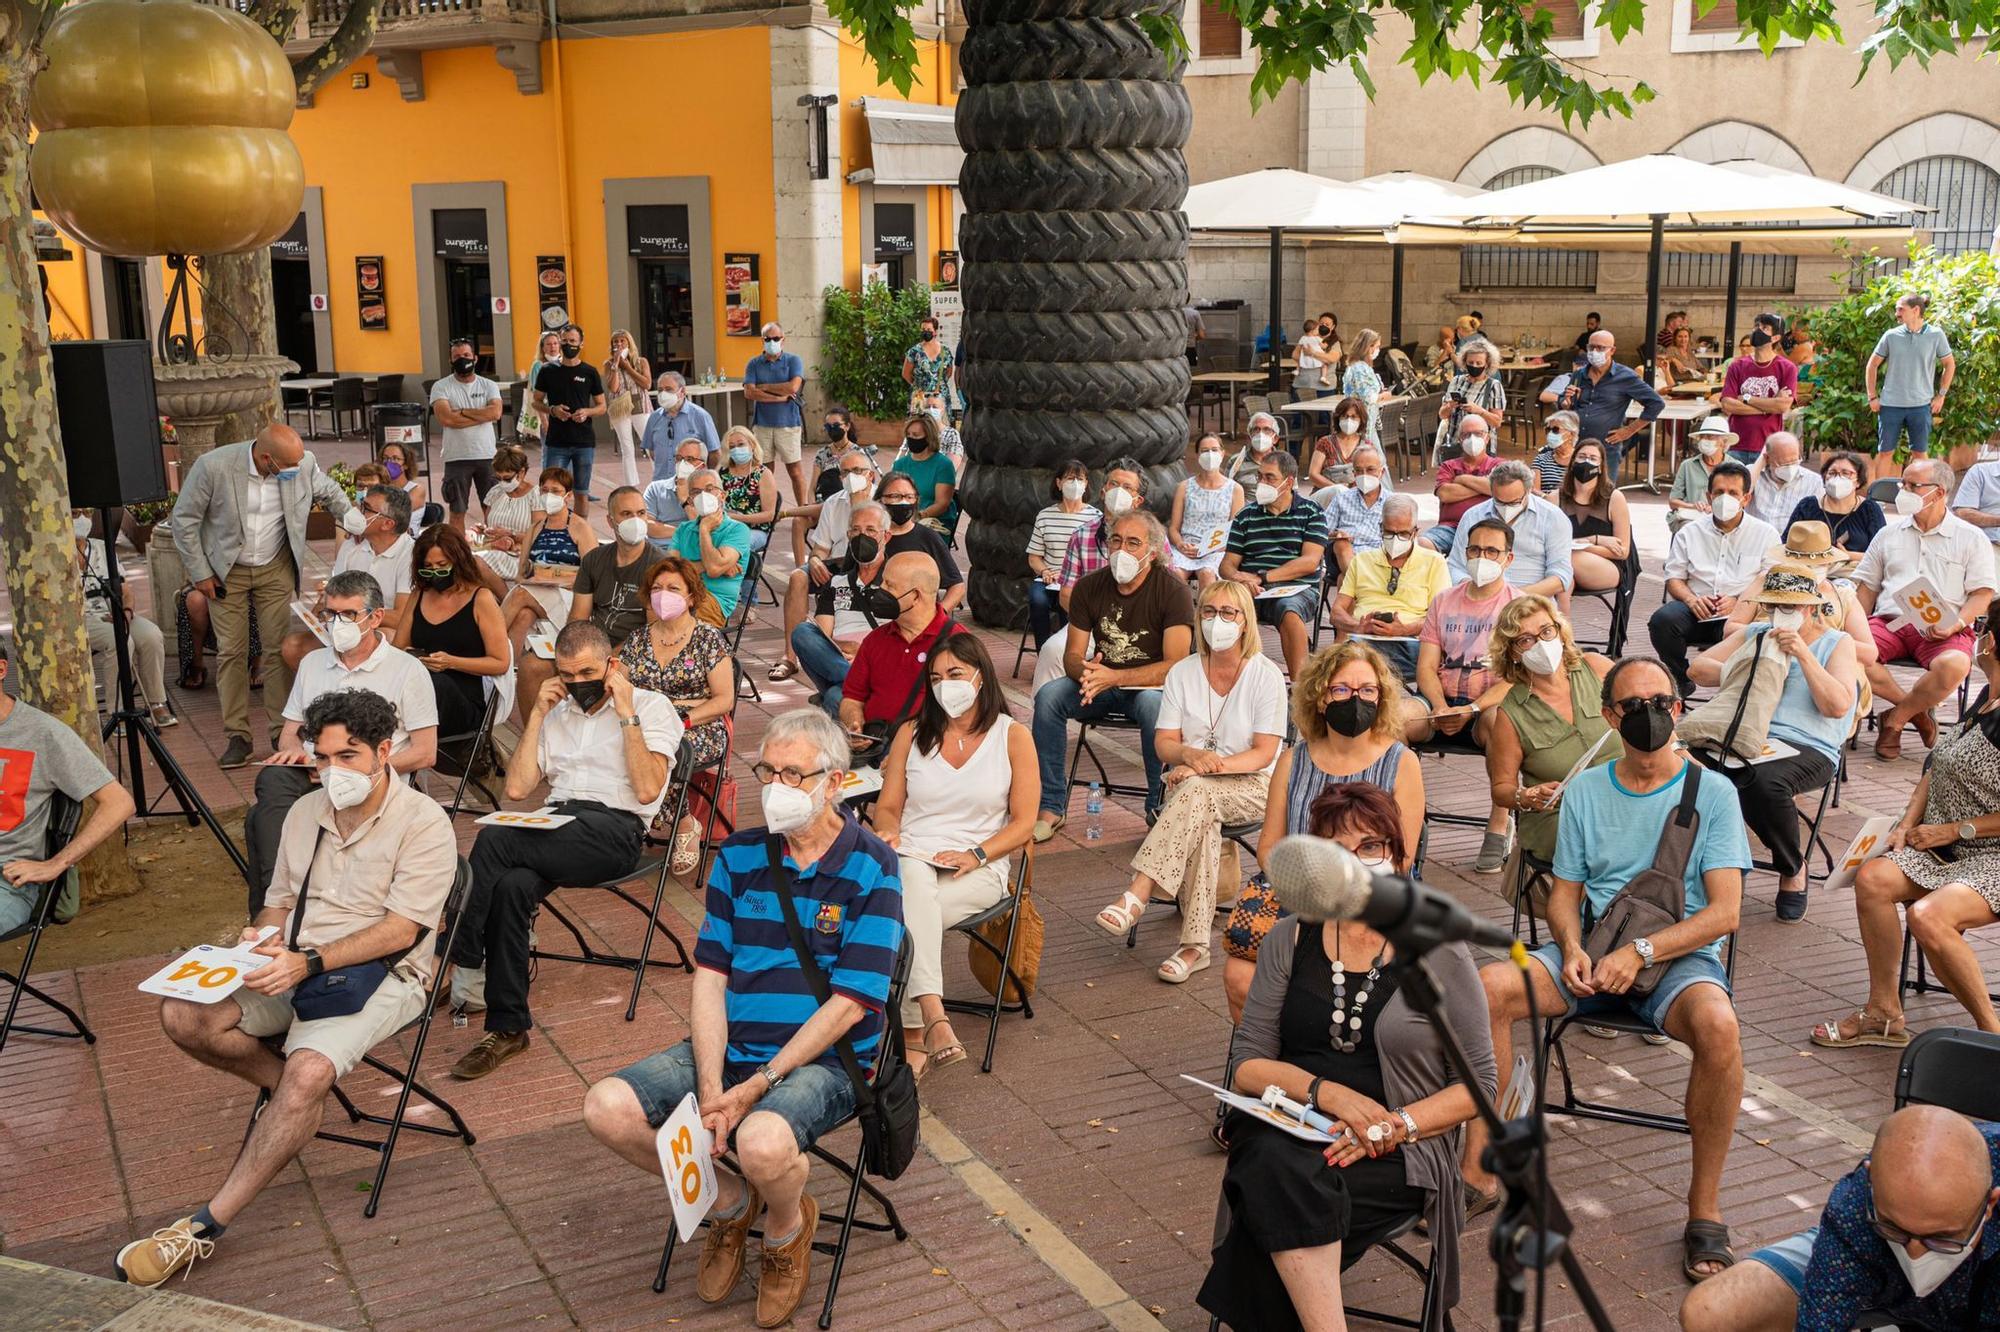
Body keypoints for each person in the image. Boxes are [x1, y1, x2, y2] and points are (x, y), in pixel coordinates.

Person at [112, 688, 453, 1289]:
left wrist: (307, 961)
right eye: (321, 759)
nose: (331, 772)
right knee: (183, 1015)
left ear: (383, 751)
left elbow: (403, 929)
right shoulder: (304, 813)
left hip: (384, 974)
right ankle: (293, 1100)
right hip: (295, 960)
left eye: (347, 758)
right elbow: (278, 904)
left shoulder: (424, 822)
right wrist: (256, 941)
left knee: (308, 1072)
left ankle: (203, 1227)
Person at [577, 707, 903, 1330]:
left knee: (759, 1140)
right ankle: (729, 1205)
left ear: (834, 782)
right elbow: (711, 976)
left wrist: (752, 1090)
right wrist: (709, 1088)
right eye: (768, 771)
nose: (777, 787)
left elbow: (850, 1004)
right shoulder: (739, 854)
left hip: (829, 1062)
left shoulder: (872, 866)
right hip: (733, 1045)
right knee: (605, 1108)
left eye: (794, 774)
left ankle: (786, 1226)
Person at [1462, 656, 1749, 1285]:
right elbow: (1565, 892)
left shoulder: (1714, 793)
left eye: (1663, 702)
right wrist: (1570, 946)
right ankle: (1484, 1168)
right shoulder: (1589, 789)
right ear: (1610, 715)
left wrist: (1642, 954)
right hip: (1594, 950)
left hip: (1675, 957)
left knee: (1719, 1028)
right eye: (1635, 706)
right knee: (1490, 987)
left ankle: (1705, 1208)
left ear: (1678, 708)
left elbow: (1725, 914)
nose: (1651, 715)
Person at [1199, 778, 1493, 1332]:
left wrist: (1393, 1127)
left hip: (1397, 1147)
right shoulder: (1289, 939)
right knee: (1275, 1160)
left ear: (1398, 858)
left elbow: (1479, 1087)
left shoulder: (1440, 949)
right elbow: (1248, 1065)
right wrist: (1327, 1094)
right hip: (1293, 1122)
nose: (1354, 863)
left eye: (1370, 847)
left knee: (1268, 1186)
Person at [449, 621, 682, 1081]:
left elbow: (647, 789)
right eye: (568, 675)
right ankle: (508, 1026)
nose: (578, 684)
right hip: (556, 826)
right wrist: (535, 714)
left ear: (612, 666)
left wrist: (626, 710)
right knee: (512, 885)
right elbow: (516, 789)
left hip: (614, 831)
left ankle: (456, 951)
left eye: (588, 672)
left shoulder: (653, 708)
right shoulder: (558, 714)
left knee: (495, 838)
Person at [1811, 628, 2000, 1047]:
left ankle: (1993, 1037)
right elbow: (1936, 767)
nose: (1978, 638)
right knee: (1874, 878)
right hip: (1941, 844)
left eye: (1984, 633)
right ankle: (1883, 1012)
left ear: (1989, 645)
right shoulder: (1988, 695)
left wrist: (1952, 830)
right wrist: (1904, 824)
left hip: (1992, 856)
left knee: (1928, 916)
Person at [1093, 580, 1285, 983]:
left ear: (1245, 622)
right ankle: (1194, 946)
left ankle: (1139, 891)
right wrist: (1188, 756)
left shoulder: (1265, 676)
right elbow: (1165, 745)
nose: (1218, 621)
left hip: (1253, 786)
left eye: (1228, 613)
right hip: (1192, 786)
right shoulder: (1183, 672)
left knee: (1196, 794)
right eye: (1209, 612)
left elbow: (1264, 753)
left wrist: (1202, 767)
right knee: (1201, 811)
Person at [1225, 641, 1423, 1018]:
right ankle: (1272, 1061)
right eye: (1342, 690)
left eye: (1367, 690)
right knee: (1238, 975)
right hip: (1299, 896)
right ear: (1320, 698)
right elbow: (1269, 847)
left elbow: (1402, 859)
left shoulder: (1402, 763)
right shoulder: (1292, 760)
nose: (1356, 699)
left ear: (1381, 698)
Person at [1680, 1105, 2000, 1332]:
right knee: (1709, 1314)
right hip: (1871, 1270)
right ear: (1869, 1182)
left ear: (1990, 1203)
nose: (1916, 1253)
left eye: (1942, 1237)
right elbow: (1821, 1320)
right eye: (1894, 1228)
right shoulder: (1853, 1205)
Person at [871, 634, 1033, 1072]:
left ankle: (913, 1031)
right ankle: (931, 1018)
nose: (946, 685)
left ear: (981, 676)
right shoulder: (913, 732)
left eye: (956, 674)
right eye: (936, 677)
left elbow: (1023, 824)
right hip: (913, 855)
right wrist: (887, 832)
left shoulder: (1013, 736)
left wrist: (977, 854)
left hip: (978, 864)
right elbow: (888, 807)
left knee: (901, 918)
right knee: (911, 881)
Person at [169, 422, 363, 769]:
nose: (295, 470)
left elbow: (329, 490)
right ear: (265, 457)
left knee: (276, 648)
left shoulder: (300, 464)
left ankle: (280, 732)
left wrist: (352, 518)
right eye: (287, 466)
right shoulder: (214, 466)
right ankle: (238, 736)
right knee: (232, 651)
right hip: (226, 570)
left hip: (275, 565)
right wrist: (201, 574)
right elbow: (184, 520)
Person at [246, 570, 438, 912]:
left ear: (375, 617)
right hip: (313, 772)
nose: (337, 624)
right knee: (272, 780)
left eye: (348, 615)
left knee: (260, 820)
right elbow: (290, 733)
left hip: (372, 781)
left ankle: (277, 909)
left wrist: (351, 768)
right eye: (330, 615)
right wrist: (299, 756)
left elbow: (425, 753)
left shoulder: (407, 670)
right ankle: (279, 906)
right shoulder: (312, 663)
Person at [1688, 563, 1860, 922]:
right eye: (1775, 606)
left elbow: (1837, 705)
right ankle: (1692, 865)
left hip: (1808, 744)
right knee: (1683, 764)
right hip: (1746, 731)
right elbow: (1698, 670)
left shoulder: (1836, 642)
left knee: (1761, 781)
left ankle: (1791, 866)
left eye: (1791, 607)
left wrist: (1802, 654)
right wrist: (1753, 667)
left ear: (1811, 608)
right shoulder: (1757, 632)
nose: (1781, 614)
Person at [1034, 509, 1195, 834]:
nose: (1122, 550)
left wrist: (1114, 677)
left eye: (1133, 543)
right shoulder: (1089, 587)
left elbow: (1175, 666)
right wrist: (1088, 673)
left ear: (1152, 551)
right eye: (1116, 541)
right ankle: (1051, 804)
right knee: (1048, 697)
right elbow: (1073, 655)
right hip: (1100, 685)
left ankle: (1157, 804)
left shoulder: (1173, 591)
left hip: (1149, 688)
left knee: (1153, 707)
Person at [1856, 458, 1996, 759]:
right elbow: (1866, 587)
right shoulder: (1888, 534)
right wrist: (1853, 627)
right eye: (1902, 484)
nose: (1903, 491)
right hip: (1889, 621)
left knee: (1956, 665)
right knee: (1847, 650)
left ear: (1939, 492)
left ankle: (1894, 718)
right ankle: (1916, 712)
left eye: (1912, 486)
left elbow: (1982, 594)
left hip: (1944, 626)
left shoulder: (1971, 537)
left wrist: (1957, 624)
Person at [0, 642, 135, 938]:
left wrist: (55, 864)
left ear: (1, 669)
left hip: (7, 881)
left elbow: (119, 802)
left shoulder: (42, 733)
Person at [1481, 594, 1618, 882]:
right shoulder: (1510, 713)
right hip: (1560, 815)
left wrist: (1680, 752)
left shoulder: (1595, 668)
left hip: (1624, 797)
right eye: (1525, 640)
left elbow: (1647, 712)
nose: (1540, 644)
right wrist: (1527, 796)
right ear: (1513, 652)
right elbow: (1502, 790)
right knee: (1616, 839)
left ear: (1559, 630)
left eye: (1546, 631)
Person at [1413, 518, 1520, 868]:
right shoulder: (1444, 601)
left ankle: (1498, 825)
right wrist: (1442, 707)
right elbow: (1427, 667)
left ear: (1508, 558)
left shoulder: (1519, 608)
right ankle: (1403, 818)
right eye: (1475, 549)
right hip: (1440, 702)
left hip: (1487, 706)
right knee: (1393, 720)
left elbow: (1515, 679)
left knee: (1500, 724)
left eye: (1492, 551)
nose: (1482, 557)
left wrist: (1472, 709)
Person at [618, 554, 735, 875]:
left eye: (673, 587)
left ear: (691, 596)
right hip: (647, 722)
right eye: (657, 588)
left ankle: (684, 822)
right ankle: (627, 821)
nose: (663, 594)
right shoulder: (639, 639)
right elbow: (621, 687)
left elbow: (724, 699)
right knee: (622, 741)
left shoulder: (708, 639)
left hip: (699, 725)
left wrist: (681, 717)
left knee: (665, 743)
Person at [1651, 461, 1777, 699]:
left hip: (1739, 614)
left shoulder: (1765, 534)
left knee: (1749, 632)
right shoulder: (1689, 532)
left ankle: (1732, 693)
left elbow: (1771, 583)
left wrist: (1739, 602)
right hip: (1697, 607)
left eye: (1733, 493)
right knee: (1662, 621)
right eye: (1719, 492)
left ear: (1746, 499)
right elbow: (1674, 578)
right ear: (1709, 497)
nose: (1724, 498)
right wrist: (1691, 599)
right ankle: (1680, 679)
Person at [279, 483, 416, 674]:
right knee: (293, 647)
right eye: (361, 505)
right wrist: (320, 609)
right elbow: (332, 594)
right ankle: (327, 695)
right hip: (343, 624)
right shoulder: (351, 547)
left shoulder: (410, 555)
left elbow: (401, 616)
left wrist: (353, 617)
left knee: (385, 638)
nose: (358, 513)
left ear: (387, 524)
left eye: (366, 509)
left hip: (376, 628)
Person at [390, 523, 508, 742]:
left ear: (458, 561)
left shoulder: (480, 599)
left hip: (462, 702)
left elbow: (500, 662)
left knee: (435, 685)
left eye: (442, 566)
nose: (435, 574)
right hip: (418, 688)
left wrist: (451, 662)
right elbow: (397, 649)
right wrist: (412, 655)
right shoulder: (420, 594)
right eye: (428, 568)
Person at [770, 449, 879, 684]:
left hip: (868, 565)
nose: (851, 476)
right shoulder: (834, 501)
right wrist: (816, 560)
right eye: (846, 472)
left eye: (857, 471)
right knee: (798, 576)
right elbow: (820, 548)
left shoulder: (880, 503)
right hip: (834, 564)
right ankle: (790, 656)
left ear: (870, 476)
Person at [1221, 451, 1326, 680]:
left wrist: (1262, 577)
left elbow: (1310, 562)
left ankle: (1299, 690)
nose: (1262, 483)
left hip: (1297, 589)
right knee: (1221, 606)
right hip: (1251, 588)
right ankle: (1231, 679)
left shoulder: (1311, 512)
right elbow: (1227, 565)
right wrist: (1240, 579)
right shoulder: (1246, 515)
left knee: (1288, 609)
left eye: (1270, 478)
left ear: (1288, 482)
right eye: (1260, 477)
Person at [838, 552, 961, 745]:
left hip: (925, 749)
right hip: (875, 743)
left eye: (889, 585)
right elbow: (852, 697)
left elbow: (966, 717)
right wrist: (854, 723)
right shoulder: (875, 640)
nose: (881, 589)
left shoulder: (958, 643)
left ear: (915, 596)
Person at [1330, 494, 1449, 680]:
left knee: (1356, 664)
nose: (1395, 539)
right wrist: (1359, 626)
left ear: (1415, 532)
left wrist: (1405, 629)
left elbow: (1442, 619)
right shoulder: (1361, 561)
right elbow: (1336, 612)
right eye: (1389, 533)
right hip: (1364, 641)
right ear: (1380, 528)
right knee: (1350, 658)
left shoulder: (1434, 562)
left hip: (1410, 642)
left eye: (1403, 534)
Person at [73, 514, 174, 728]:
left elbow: (125, 590)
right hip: (80, 620)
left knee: (151, 635)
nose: (82, 518)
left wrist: (126, 612)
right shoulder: (53, 554)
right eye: (75, 514)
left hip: (114, 613)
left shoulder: (101, 547)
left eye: (86, 513)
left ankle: (157, 702)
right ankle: (116, 712)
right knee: (120, 641)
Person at [793, 503, 893, 717]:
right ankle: (862, 687)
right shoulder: (837, 582)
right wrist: (841, 647)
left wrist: (865, 652)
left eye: (870, 530)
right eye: (855, 530)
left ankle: (859, 691)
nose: (861, 536)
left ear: (886, 537)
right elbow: (822, 635)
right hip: (840, 661)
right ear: (848, 536)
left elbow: (906, 634)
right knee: (802, 632)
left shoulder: (896, 580)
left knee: (834, 698)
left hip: (881, 663)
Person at [1444, 461, 1575, 607]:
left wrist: (1512, 598)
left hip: (1531, 604)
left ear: (1529, 490)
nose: (1506, 508)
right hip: (1480, 603)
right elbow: (1455, 566)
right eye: (1499, 502)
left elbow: (1560, 577)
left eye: (1514, 502)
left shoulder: (1552, 517)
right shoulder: (1473, 516)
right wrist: (1475, 591)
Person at [497, 467, 595, 662]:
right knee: (524, 614)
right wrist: (536, 578)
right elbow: (521, 574)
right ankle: (510, 670)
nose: (548, 495)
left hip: (570, 596)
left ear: (567, 495)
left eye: (555, 491)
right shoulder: (535, 528)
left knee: (520, 593)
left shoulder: (579, 527)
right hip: (538, 591)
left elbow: (593, 575)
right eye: (544, 490)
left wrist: (555, 576)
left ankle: (485, 641)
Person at [1555, 329, 1665, 485]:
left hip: (1606, 448)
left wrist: (1629, 430)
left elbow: (1656, 403)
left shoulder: (1625, 376)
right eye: (1591, 348)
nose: (1594, 352)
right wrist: (1565, 402)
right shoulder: (1579, 375)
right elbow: (1565, 405)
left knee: (1604, 493)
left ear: (1612, 350)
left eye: (1600, 348)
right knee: (1573, 490)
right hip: (1576, 445)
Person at [1868, 292, 1956, 483]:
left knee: (1920, 454)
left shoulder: (1936, 335)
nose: (1897, 313)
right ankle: (1877, 500)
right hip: (1891, 404)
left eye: (1901, 309)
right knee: (1885, 452)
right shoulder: (1891, 335)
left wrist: (1941, 395)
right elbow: (1872, 364)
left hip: (1921, 405)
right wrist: (1872, 396)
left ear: (1916, 310)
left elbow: (1950, 364)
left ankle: (1921, 495)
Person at [429, 336, 503, 532]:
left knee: (492, 510)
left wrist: (461, 411)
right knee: (457, 512)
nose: (463, 359)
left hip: (487, 456)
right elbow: (447, 419)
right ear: (450, 360)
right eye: (457, 356)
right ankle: (459, 555)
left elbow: (495, 413)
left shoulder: (488, 385)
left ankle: (492, 554)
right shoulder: (441, 386)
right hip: (457, 457)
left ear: (475, 358)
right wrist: (481, 414)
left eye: (466, 355)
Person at [533, 325, 606, 515]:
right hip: (557, 441)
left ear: (581, 343)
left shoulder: (590, 372)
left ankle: (581, 534)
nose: (568, 345)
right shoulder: (547, 371)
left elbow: (602, 406)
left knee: (581, 492)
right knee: (552, 492)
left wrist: (587, 412)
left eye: (572, 341)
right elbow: (536, 401)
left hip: (583, 442)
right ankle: (556, 530)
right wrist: (552, 410)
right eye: (564, 341)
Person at [1028, 461, 1100, 643]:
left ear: (1086, 484)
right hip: (1049, 579)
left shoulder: (1096, 517)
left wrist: (1070, 576)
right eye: (1069, 478)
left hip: (1079, 581)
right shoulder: (1045, 516)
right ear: (1059, 483)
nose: (1075, 483)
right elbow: (1034, 557)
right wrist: (1044, 571)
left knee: (1068, 605)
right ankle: (1043, 650)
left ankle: (1067, 652)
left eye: (1080, 479)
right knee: (1037, 600)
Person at [743, 321, 809, 521]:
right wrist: (778, 397)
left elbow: (792, 388)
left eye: (775, 338)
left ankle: (803, 511)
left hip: (788, 424)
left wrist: (763, 387)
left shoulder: (793, 360)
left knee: (795, 470)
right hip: (762, 425)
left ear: (783, 339)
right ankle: (766, 513)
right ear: (762, 340)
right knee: (763, 471)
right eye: (767, 339)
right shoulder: (754, 363)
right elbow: (749, 392)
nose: (772, 342)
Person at [878, 471, 966, 614]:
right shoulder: (871, 536)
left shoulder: (928, 537)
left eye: (908, 497)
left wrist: (936, 617)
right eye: (895, 496)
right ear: (880, 500)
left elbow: (957, 586)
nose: (903, 502)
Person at [670, 469, 753, 617]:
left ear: (722, 495)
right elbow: (670, 571)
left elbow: (714, 569)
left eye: (709, 489)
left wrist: (704, 529)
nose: (703, 496)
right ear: (690, 501)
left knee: (676, 615)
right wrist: (706, 565)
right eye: (696, 492)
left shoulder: (738, 530)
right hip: (680, 593)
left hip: (714, 600)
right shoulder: (683, 530)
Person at [1557, 439, 1632, 596]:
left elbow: (1622, 552)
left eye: (1593, 459)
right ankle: (1562, 620)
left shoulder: (1614, 498)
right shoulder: (1555, 498)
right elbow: (1547, 543)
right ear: (1572, 463)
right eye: (1582, 456)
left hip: (1606, 568)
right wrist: (1596, 540)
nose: (1586, 462)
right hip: (1562, 564)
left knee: (1567, 558)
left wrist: (1586, 543)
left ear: (1601, 467)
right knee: (1564, 579)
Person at [1171, 437, 1245, 588]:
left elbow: (1235, 532)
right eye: (1204, 451)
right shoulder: (1184, 487)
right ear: (1197, 455)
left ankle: (1205, 611)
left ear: (1222, 453)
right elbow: (1174, 527)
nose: (1210, 454)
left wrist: (1206, 549)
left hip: (1216, 550)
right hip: (1186, 548)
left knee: (1207, 573)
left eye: (1214, 450)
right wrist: (1180, 544)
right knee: (1175, 574)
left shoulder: (1235, 489)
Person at [1720, 329, 1799, 466]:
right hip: (1736, 445)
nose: (1757, 331)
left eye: (1765, 328)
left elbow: (1782, 406)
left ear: (1775, 338)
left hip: (1768, 448)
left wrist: (1746, 398)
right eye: (1756, 326)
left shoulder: (1787, 367)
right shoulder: (1736, 366)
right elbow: (1727, 405)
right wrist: (1770, 405)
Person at [1423, 415, 1496, 554]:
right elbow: (1445, 494)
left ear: (1487, 438)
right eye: (1466, 434)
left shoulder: (1499, 465)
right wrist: (1484, 486)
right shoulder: (1448, 466)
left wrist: (1461, 479)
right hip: (1450, 528)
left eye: (1478, 434)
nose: (1472, 439)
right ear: (1460, 439)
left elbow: (1498, 489)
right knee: (1423, 544)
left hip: (1488, 528)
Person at [1790, 449, 1884, 555]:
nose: (1838, 478)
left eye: (1846, 473)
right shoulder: (1807, 506)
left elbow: (1882, 554)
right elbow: (1787, 544)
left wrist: (1848, 556)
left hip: (1855, 569)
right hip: (1811, 568)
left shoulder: (1869, 510)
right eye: (1832, 473)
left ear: (1858, 481)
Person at [471, 445, 538, 580]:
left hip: (522, 555)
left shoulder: (536, 496)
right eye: (498, 478)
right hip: (495, 548)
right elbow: (488, 525)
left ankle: (504, 597)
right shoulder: (495, 492)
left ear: (522, 473)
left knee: (477, 564)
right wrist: (483, 531)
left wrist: (511, 535)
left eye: (507, 479)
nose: (502, 483)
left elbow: (539, 537)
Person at [641, 371, 721, 480]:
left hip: (691, 484)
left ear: (682, 391)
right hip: (661, 483)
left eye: (668, 389)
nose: (663, 394)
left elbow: (715, 453)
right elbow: (652, 452)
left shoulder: (700, 416)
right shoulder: (654, 418)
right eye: (660, 390)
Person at [1437, 338, 1506, 461]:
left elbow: (1497, 422)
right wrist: (1449, 406)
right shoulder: (1456, 381)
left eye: (1479, 363)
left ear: (1487, 364)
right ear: (1464, 362)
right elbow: (1442, 415)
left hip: (1481, 449)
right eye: (1471, 362)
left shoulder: (1493, 385)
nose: (1474, 366)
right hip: (1456, 445)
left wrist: (1478, 410)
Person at [601, 328, 652, 489]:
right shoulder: (608, 364)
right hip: (620, 407)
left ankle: (659, 478)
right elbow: (613, 388)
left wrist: (628, 367)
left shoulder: (641, 361)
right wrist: (617, 364)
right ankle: (632, 485)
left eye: (622, 341)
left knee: (650, 443)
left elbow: (647, 384)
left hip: (640, 405)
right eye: (615, 342)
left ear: (629, 342)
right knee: (627, 447)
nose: (619, 344)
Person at [1326, 444, 1391, 571]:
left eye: (1370, 469)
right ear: (1353, 473)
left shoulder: (1392, 503)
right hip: (1346, 557)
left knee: (1342, 579)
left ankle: (1356, 582)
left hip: (1381, 560)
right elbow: (1322, 531)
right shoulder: (1341, 499)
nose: (1364, 475)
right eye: (1359, 470)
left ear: (1381, 472)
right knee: (1341, 545)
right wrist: (1336, 535)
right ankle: (1357, 580)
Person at [896, 412, 959, 538]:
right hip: (904, 519)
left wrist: (918, 516)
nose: (910, 438)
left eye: (916, 435)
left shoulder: (943, 465)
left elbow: (942, 504)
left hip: (934, 523)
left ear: (929, 437)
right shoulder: (900, 464)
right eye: (908, 435)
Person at [718, 425, 780, 554]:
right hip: (724, 527)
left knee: (733, 544)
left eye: (741, 444)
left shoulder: (763, 473)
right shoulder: (722, 473)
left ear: (752, 445)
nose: (736, 449)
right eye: (732, 447)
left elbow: (769, 515)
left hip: (755, 530)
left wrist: (738, 518)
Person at [1668, 416, 1737, 532]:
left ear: (1724, 442)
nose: (1705, 440)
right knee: (1688, 530)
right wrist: (1694, 505)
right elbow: (1673, 501)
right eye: (1702, 436)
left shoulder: (1735, 467)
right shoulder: (1687, 465)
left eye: (1710, 437)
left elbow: (1741, 501)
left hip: (1724, 519)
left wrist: (1717, 508)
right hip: (1692, 519)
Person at [1746, 430, 1822, 529]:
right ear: (1767, 458)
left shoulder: (1813, 481)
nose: (1790, 468)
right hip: (1757, 539)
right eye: (1784, 464)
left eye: (1795, 461)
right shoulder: (1753, 473)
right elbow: (1741, 497)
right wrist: (1760, 462)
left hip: (1790, 541)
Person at [1305, 398, 1375, 502]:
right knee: (1338, 491)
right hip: (1324, 497)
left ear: (1361, 420)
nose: (1348, 420)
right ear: (1338, 418)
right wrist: (1338, 489)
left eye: (1353, 417)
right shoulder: (1325, 442)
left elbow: (1370, 475)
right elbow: (1313, 474)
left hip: (1354, 499)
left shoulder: (1366, 446)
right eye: (1345, 416)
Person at [902, 313, 957, 411]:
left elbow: (949, 372)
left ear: (935, 332)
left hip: (940, 397)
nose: (925, 332)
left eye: (928, 330)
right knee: (919, 425)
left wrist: (937, 383)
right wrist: (918, 385)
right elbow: (906, 373)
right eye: (923, 330)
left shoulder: (945, 351)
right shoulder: (914, 351)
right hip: (920, 397)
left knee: (940, 425)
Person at [376, 439, 431, 536]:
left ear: (406, 465)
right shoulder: (380, 487)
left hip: (407, 539)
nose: (389, 462)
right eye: (385, 458)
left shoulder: (417, 489)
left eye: (395, 458)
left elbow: (396, 511)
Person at [1341, 327, 1386, 445]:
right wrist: (1383, 395)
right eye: (1377, 346)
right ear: (1369, 347)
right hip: (1363, 420)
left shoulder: (1356, 366)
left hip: (1365, 421)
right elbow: (1368, 397)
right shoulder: (1360, 368)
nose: (1378, 350)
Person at [518, 330, 562, 447]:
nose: (552, 347)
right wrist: (544, 421)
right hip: (546, 411)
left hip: (562, 411)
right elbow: (535, 395)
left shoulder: (564, 363)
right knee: (549, 450)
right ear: (543, 347)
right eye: (548, 344)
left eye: (555, 343)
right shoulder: (539, 365)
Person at [1224, 412, 1284, 489]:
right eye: (1256, 429)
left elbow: (1293, 494)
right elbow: (1226, 491)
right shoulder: (1236, 461)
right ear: (1250, 437)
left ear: (1275, 439)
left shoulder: (1284, 462)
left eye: (1267, 430)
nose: (1261, 434)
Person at [1532, 409, 1580, 494]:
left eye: (1555, 429)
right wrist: (1550, 500)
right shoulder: (1541, 459)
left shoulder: (1580, 460)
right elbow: (1534, 490)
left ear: (1571, 434)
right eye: (1548, 430)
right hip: (1546, 504)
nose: (1550, 433)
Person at [1292, 316, 1329, 399]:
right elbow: (1323, 346)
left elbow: (1295, 355)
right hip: (1315, 359)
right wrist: (1326, 345)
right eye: (1317, 329)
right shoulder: (1316, 338)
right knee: (1324, 365)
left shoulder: (1303, 338)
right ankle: (1323, 376)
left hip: (1304, 359)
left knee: (1300, 362)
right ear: (1313, 331)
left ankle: (1297, 370)